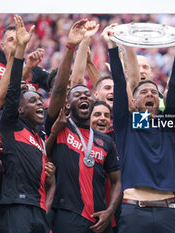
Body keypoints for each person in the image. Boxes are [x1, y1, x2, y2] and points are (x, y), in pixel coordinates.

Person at [103, 23, 175, 233]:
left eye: (153, 91)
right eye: (144, 92)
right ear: (133, 102)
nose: (150, 94)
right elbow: (118, 80)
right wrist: (113, 47)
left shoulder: (166, 125)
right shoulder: (127, 124)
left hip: (168, 211)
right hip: (134, 211)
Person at [45, 19, 121, 233]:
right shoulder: (60, 126)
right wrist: (71, 47)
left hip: (100, 219)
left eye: (87, 94)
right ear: (68, 103)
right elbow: (61, 89)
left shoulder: (105, 140)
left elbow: (117, 180)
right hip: (67, 216)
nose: (83, 96)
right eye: (77, 94)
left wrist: (110, 210)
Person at [0, 15, 52, 233]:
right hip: (17, 207)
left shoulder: (40, 136)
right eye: (32, 101)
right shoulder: (13, 125)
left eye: (40, 100)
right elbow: (11, 93)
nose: (39, 103)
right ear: (19, 109)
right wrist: (21, 49)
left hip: (38, 208)